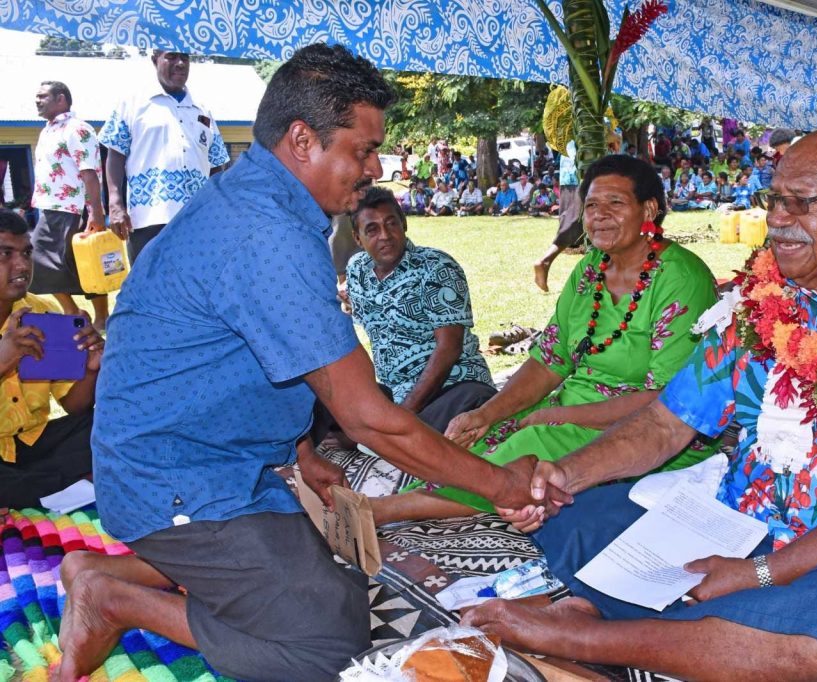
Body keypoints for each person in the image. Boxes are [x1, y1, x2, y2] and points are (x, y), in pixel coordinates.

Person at [55, 44, 559, 682]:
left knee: (340, 592)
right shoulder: (267, 236)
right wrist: (500, 485)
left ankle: (112, 571)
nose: (373, 168)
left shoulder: (259, 201)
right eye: (362, 149)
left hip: (221, 458)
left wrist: (300, 452)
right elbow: (371, 421)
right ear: (301, 140)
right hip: (172, 475)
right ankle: (111, 599)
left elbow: (256, 351)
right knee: (324, 644)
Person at [464, 125, 817, 682]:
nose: (777, 218)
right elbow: (666, 424)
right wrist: (563, 476)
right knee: (579, 515)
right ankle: (658, 623)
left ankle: (589, 632)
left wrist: (762, 573)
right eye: (775, 199)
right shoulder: (756, 305)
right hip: (736, 519)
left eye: (803, 202)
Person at [371, 154, 720, 525]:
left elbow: (666, 401)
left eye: (615, 203)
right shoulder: (590, 270)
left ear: (648, 209)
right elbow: (549, 360)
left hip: (647, 430)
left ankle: (385, 511)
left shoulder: (681, 279)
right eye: (591, 205)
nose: (599, 215)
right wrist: (487, 413)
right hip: (572, 406)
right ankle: (409, 498)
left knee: (527, 450)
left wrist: (560, 416)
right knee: (487, 435)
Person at [343, 187, 495, 434]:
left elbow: (449, 349)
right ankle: (390, 435)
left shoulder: (436, 267)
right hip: (394, 393)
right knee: (328, 402)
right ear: (357, 238)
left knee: (468, 407)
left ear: (404, 224)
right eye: (372, 229)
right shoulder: (357, 271)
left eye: (391, 223)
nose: (385, 235)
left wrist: (406, 413)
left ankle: (396, 436)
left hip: (452, 386)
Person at [0, 209, 104, 508]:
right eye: (5, 253)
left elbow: (74, 406)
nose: (21, 264)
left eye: (27, 252)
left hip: (33, 443)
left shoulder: (41, 314)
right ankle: (60, 486)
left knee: (111, 424)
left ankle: (32, 490)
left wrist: (90, 369)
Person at [98, 50, 230, 263]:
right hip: (148, 218)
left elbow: (216, 165)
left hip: (196, 221)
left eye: (185, 58)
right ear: (154, 60)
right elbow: (115, 154)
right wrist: (115, 203)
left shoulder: (203, 110)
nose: (180, 63)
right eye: (171, 57)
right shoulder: (132, 104)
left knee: (194, 288)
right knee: (147, 289)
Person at [29, 80, 109, 329]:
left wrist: (96, 212)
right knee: (36, 259)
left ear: (61, 98)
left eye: (43, 96)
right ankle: (72, 311)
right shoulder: (47, 131)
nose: (37, 100)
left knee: (86, 264)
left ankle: (102, 317)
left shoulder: (78, 129)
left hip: (75, 209)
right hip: (51, 208)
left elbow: (89, 173)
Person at [533, 140, 583, 292]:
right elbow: (599, 133)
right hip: (584, 172)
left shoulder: (562, 118)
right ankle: (545, 260)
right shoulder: (590, 116)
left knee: (579, 222)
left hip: (570, 172)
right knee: (579, 222)